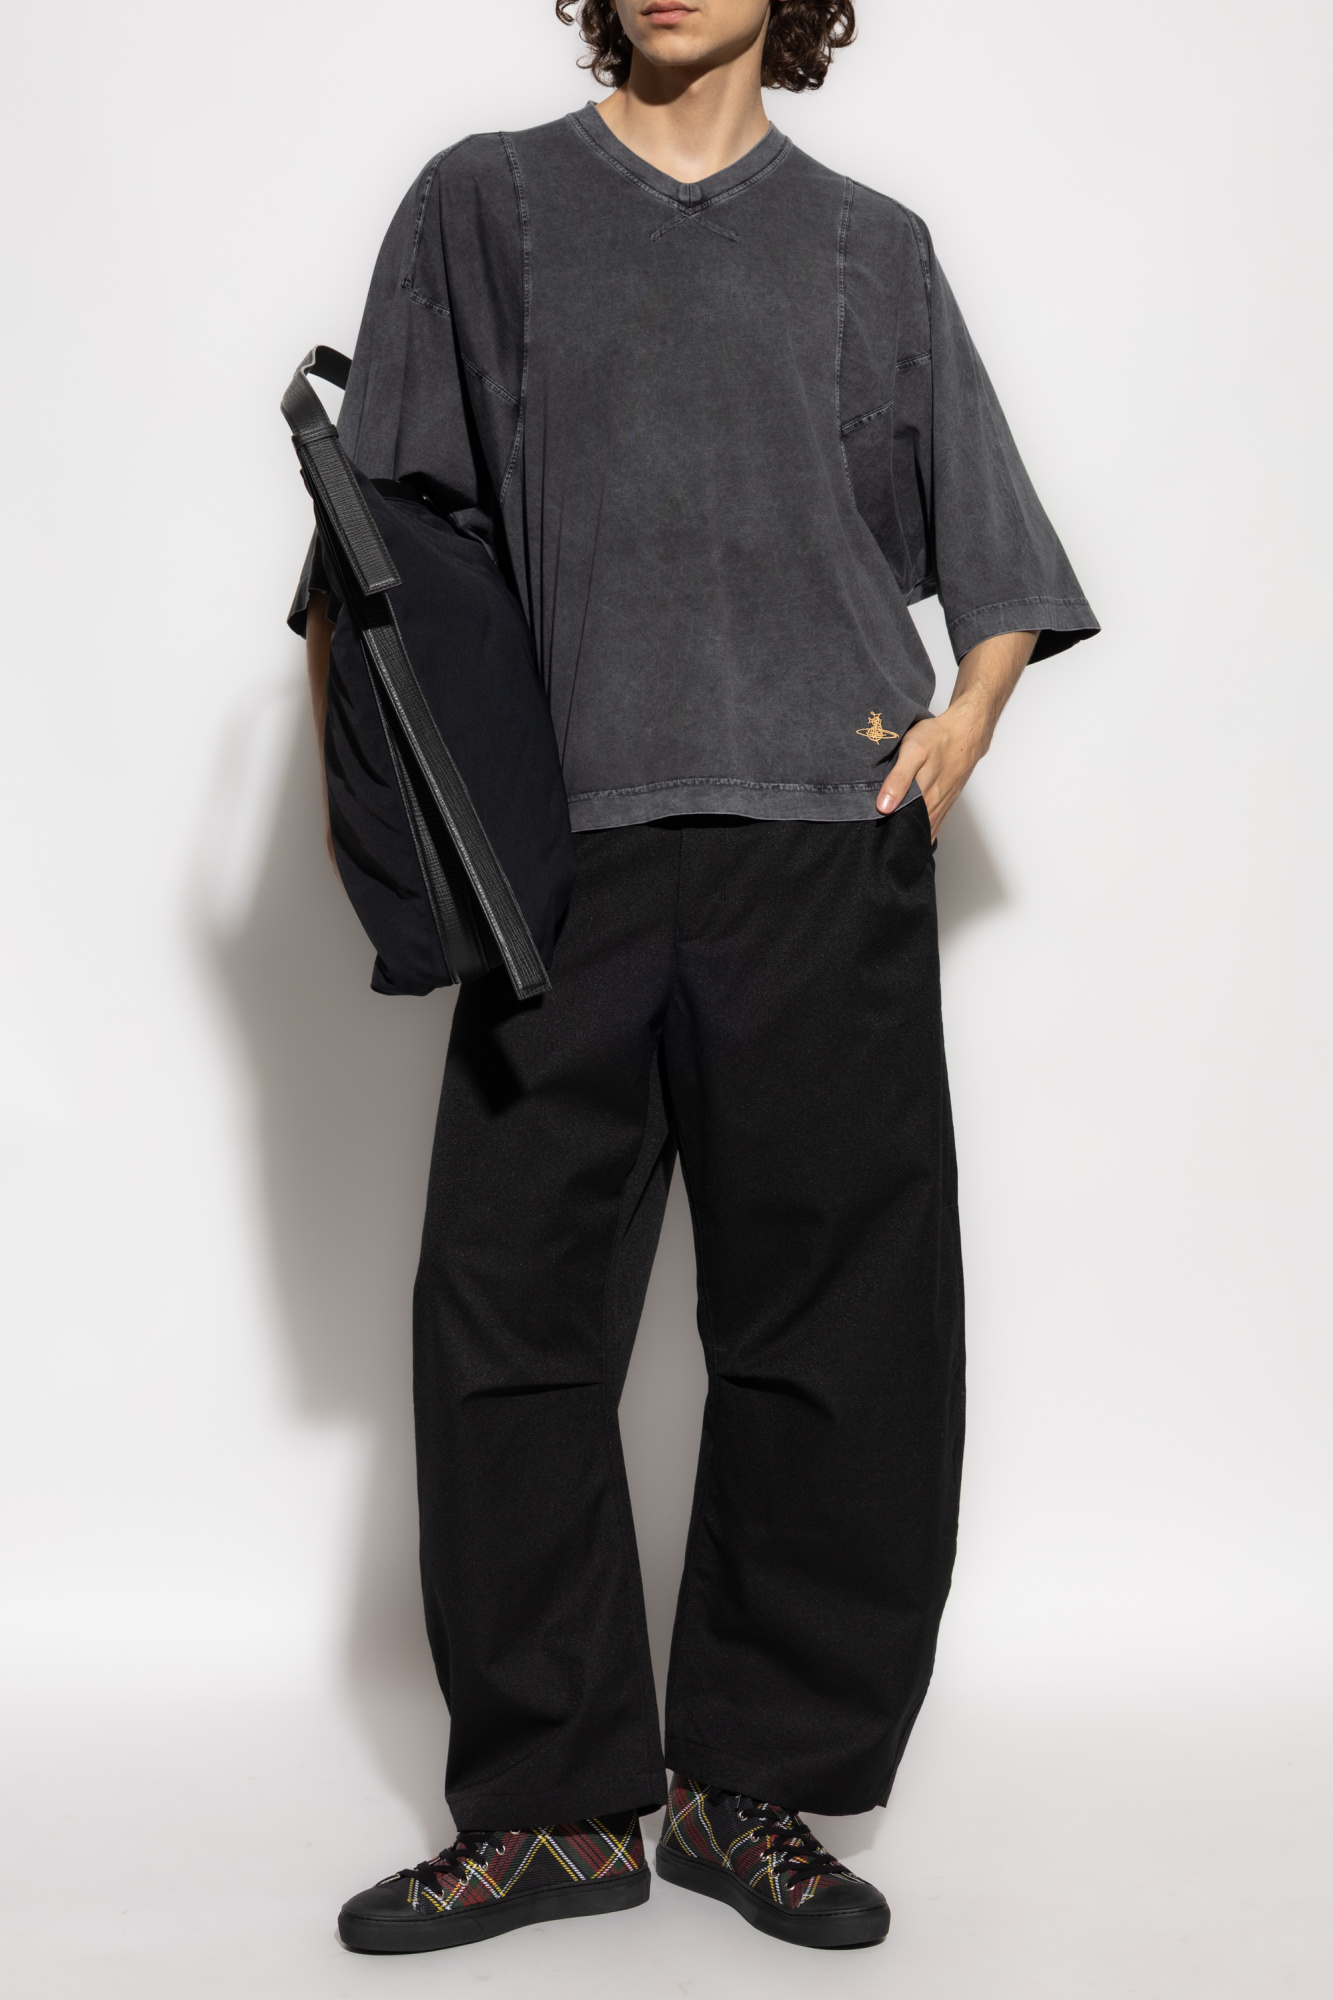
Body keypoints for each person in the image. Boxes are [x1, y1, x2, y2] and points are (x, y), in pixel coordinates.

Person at [293, 0, 1097, 1956]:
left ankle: (752, 1792)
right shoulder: (483, 208)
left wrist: (967, 720)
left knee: (839, 1335)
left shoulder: (870, 247)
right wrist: (386, 812)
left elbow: (994, 560)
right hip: (556, 862)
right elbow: (370, 543)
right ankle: (554, 1809)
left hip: (822, 852)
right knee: (507, 1324)